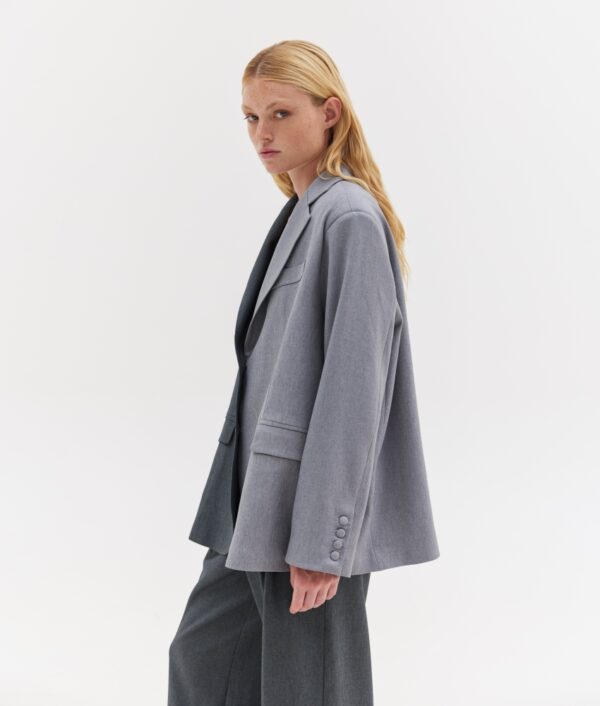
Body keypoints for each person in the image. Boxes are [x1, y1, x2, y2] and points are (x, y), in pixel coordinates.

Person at [168, 39, 440, 706]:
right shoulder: (304, 211)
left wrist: (322, 542)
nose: (262, 133)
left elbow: (354, 395)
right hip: (251, 505)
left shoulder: (349, 219)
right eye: (251, 117)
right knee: (201, 659)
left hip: (300, 514)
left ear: (330, 113)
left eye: (281, 114)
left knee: (309, 689)